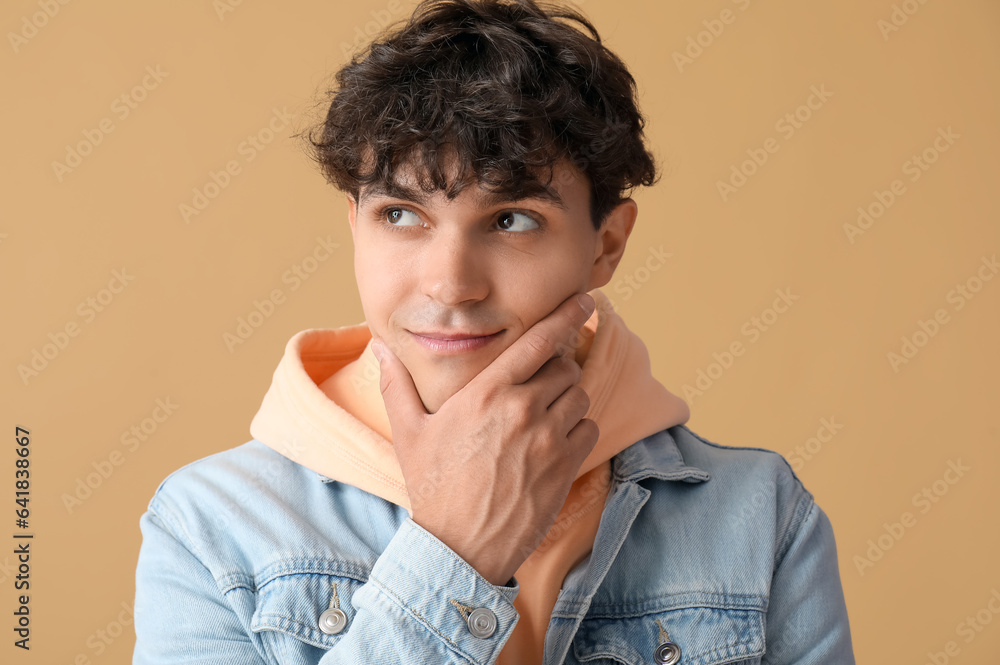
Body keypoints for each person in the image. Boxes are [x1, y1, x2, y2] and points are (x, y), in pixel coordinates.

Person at [132, 0, 855, 663]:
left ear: (606, 243)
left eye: (511, 219)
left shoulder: (760, 518)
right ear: (354, 226)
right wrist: (456, 553)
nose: (450, 284)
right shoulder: (210, 526)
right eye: (401, 215)